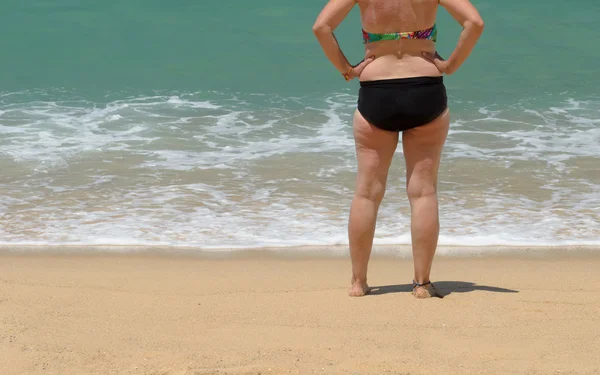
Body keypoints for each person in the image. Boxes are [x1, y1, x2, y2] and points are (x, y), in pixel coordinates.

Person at [313, 0, 484, 298]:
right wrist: (450, 65)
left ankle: (359, 283)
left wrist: (347, 69)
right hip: (425, 89)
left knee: (366, 192)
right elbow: (474, 23)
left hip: (376, 90)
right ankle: (422, 284)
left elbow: (321, 27)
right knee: (423, 192)